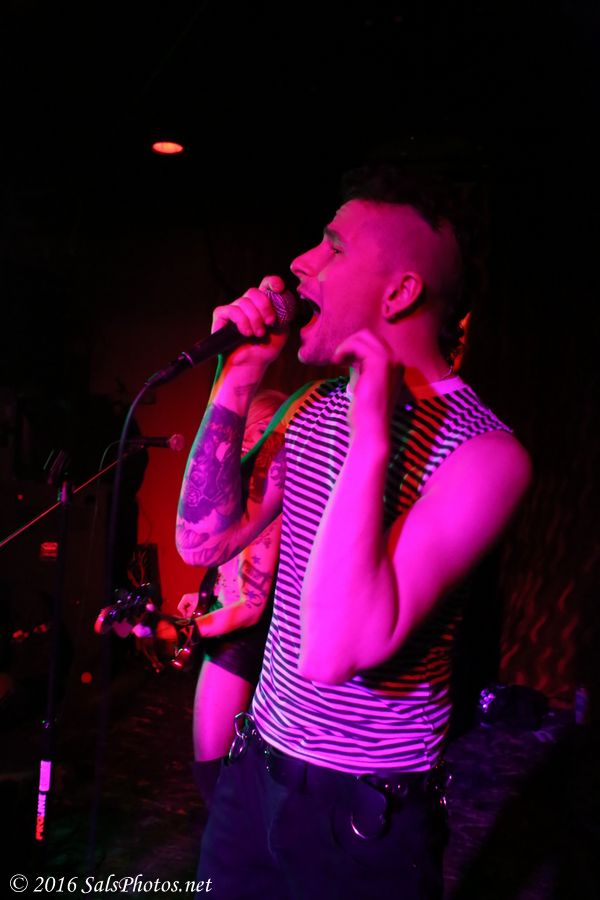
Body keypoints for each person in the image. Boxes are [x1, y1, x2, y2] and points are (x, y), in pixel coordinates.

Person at [176, 164, 532, 899]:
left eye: (333, 246)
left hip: (361, 819)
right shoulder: (311, 410)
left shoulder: (485, 454)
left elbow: (336, 651)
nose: (302, 262)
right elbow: (202, 543)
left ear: (399, 293)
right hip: (255, 773)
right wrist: (239, 375)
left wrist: (371, 441)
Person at [177, 390, 286, 805]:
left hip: (237, 650)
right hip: (229, 641)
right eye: (246, 431)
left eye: (260, 432)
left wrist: (189, 629)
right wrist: (204, 595)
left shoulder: (267, 501)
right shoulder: (247, 498)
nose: (245, 443)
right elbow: (238, 578)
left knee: (215, 778)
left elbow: (251, 607)